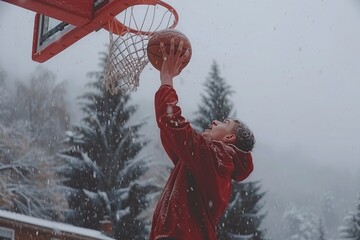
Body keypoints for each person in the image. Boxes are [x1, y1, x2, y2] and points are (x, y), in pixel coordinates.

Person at [149, 38, 255, 240]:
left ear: (229, 137)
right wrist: (166, 81)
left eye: (225, 121)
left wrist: (167, 81)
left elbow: (174, 125)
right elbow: (169, 129)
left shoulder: (218, 158)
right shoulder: (209, 162)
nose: (215, 121)